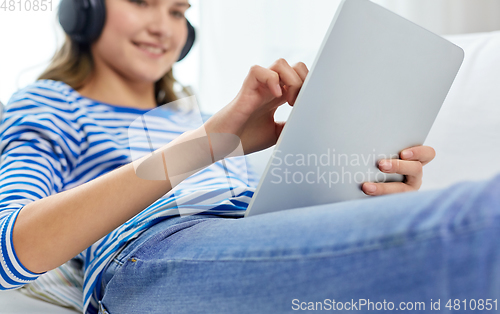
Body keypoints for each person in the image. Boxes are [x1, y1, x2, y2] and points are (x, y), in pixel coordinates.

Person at [1, 0, 499, 313]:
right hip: (147, 257)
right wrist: (212, 141)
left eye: (177, 11)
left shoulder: (184, 111)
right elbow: (11, 248)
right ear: (81, 10)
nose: (163, 26)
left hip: (245, 228)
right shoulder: (49, 104)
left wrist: (373, 192)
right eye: (142, 2)